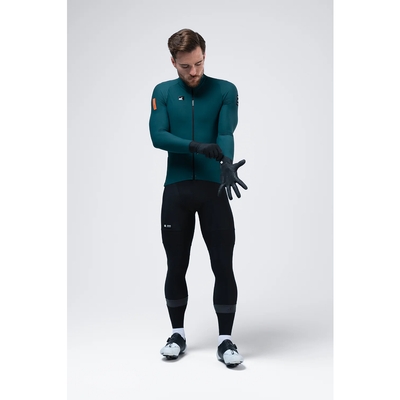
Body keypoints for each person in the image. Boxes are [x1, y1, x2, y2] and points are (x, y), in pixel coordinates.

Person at [149, 28, 247, 368]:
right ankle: (177, 334)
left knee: (223, 264)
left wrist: (226, 162)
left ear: (205, 56)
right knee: (176, 265)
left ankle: (225, 340)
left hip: (212, 190)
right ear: (173, 62)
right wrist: (195, 146)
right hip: (176, 191)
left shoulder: (225, 90)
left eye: (199, 63)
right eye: (186, 66)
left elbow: (225, 131)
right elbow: (158, 136)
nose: (194, 72)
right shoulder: (162, 92)